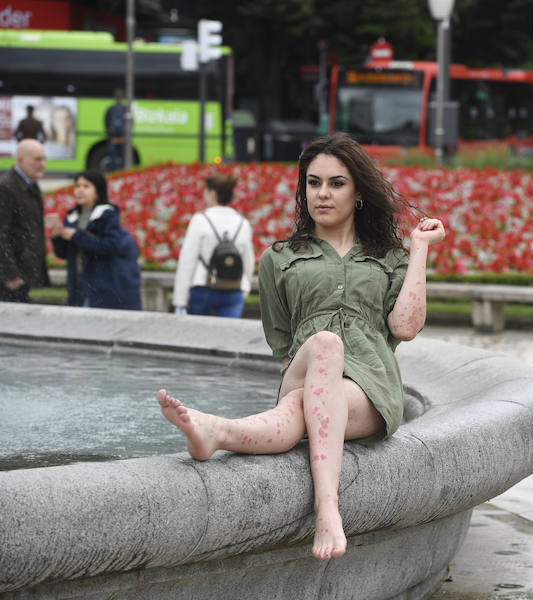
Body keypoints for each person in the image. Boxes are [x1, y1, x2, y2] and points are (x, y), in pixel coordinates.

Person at [157, 133, 446, 561]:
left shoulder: (389, 257)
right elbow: (282, 340)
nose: (322, 194)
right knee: (325, 345)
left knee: (300, 408)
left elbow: (405, 327)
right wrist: (320, 371)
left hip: (368, 385)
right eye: (313, 183)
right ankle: (328, 506)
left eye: (336, 183)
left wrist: (419, 249)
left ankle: (216, 431)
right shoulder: (278, 257)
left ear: (359, 192)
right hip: (307, 366)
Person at [49, 170, 143, 309]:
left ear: (98, 191)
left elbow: (109, 246)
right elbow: (64, 254)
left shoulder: (107, 215)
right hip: (78, 288)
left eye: (86, 186)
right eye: (78, 186)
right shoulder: (72, 217)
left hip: (103, 289)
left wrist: (76, 236)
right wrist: (57, 236)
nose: (80, 190)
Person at [172, 174, 255, 317]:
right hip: (233, 289)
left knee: (197, 337)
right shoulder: (243, 223)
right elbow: (248, 262)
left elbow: (187, 262)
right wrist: (244, 287)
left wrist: (180, 301)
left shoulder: (200, 220)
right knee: (229, 337)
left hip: (203, 287)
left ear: (212, 194)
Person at [0, 139, 49, 303]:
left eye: (43, 159)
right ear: (20, 160)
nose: (42, 164)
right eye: (37, 159)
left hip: (22, 272)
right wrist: (9, 274)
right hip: (10, 278)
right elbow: (1, 233)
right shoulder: (6, 187)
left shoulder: (30, 184)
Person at [104, 89, 127, 172]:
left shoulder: (111, 109)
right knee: (118, 159)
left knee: (116, 159)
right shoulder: (124, 109)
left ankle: (116, 175)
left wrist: (112, 138)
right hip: (118, 138)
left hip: (116, 138)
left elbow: (106, 123)